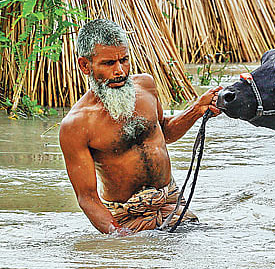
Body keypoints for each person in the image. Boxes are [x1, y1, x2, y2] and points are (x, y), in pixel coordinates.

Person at [59, 19, 221, 235]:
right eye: (108, 64)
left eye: (124, 60)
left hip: (171, 203)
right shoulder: (76, 125)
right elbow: (87, 198)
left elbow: (165, 133)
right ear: (85, 66)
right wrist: (119, 235)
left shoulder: (146, 86)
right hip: (126, 217)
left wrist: (196, 110)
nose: (119, 71)